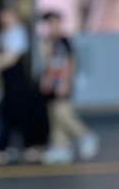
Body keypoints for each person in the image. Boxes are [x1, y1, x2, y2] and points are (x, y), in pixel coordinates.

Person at [0, 6, 48, 165]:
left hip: (18, 80)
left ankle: (29, 147)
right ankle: (4, 148)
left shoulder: (18, 33)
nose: (2, 19)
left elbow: (11, 57)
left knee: (21, 114)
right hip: (9, 81)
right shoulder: (5, 33)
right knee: (7, 114)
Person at [38, 12, 99, 164]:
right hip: (52, 83)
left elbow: (70, 63)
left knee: (62, 112)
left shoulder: (64, 42)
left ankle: (84, 135)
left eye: (53, 23)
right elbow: (48, 64)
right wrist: (46, 79)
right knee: (54, 114)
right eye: (48, 24)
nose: (51, 27)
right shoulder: (48, 42)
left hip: (62, 83)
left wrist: (66, 82)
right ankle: (60, 147)